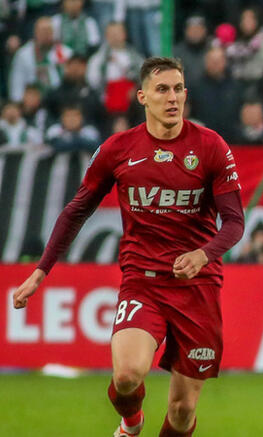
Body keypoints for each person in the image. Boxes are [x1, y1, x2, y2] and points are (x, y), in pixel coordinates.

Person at [11, 57, 245, 437]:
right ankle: (131, 424)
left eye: (178, 89)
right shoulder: (119, 149)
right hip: (143, 281)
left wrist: (204, 253)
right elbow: (76, 210)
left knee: (182, 411)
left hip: (198, 286)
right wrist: (41, 270)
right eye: (162, 90)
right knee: (125, 376)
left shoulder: (210, 147)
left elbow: (235, 222)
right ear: (143, 97)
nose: (173, 98)